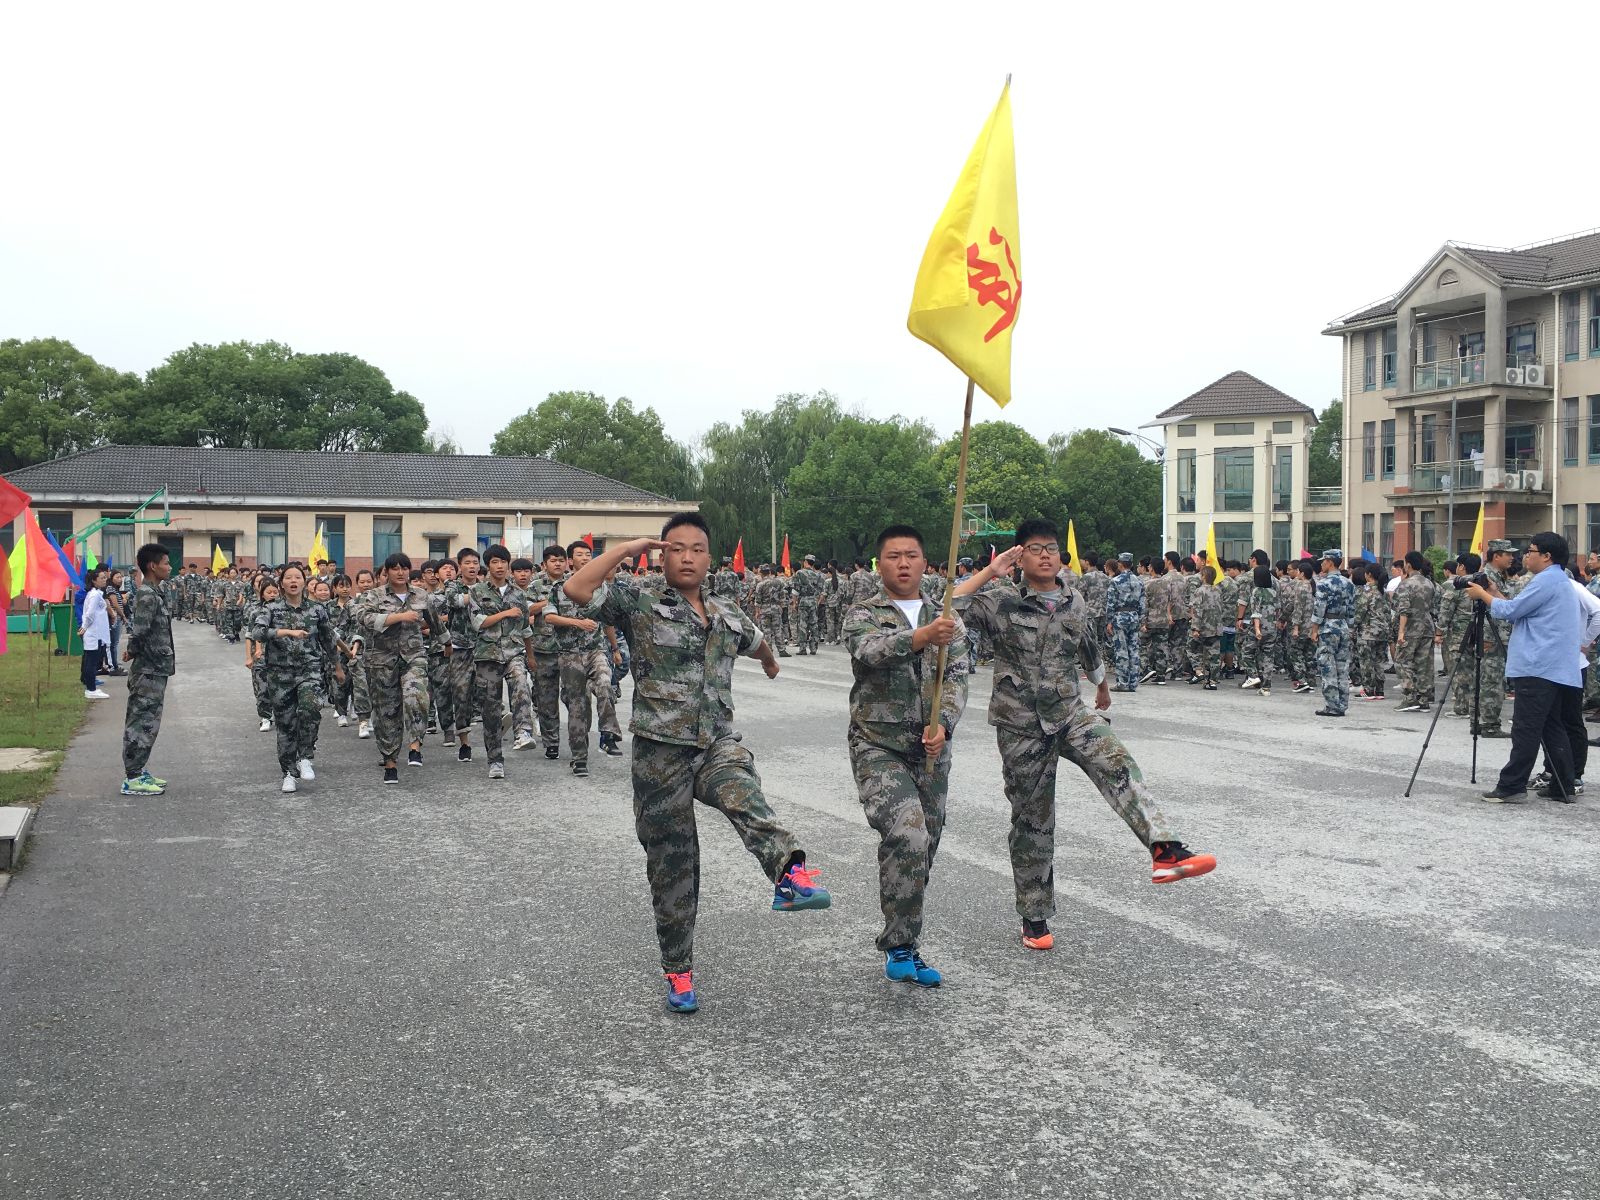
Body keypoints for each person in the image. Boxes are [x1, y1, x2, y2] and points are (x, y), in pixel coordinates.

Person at [561, 513, 832, 1016]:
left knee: (744, 793)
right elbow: (576, 589)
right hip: (660, 755)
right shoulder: (639, 600)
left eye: (697, 549)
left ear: (710, 557)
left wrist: (770, 662)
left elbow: (756, 640)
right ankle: (678, 969)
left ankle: (789, 875)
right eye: (676, 548)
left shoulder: (727, 609)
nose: (687, 557)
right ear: (662, 555)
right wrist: (628, 548)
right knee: (673, 865)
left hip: (715, 743)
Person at [957, 524, 1216, 956]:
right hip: (1020, 722)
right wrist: (989, 571)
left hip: (1069, 711)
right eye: (1035, 549)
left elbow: (1087, 645)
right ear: (1020, 557)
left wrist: (1102, 687)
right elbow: (947, 608)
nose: (1046, 555)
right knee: (1033, 820)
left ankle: (1165, 849)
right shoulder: (1001, 600)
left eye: (1051, 548)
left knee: (1117, 762)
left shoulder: (1074, 599)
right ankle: (1034, 915)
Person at [843, 524, 967, 987]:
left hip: (930, 749)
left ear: (925, 562)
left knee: (923, 847)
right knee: (908, 833)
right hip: (878, 745)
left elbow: (957, 677)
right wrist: (922, 636)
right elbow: (870, 652)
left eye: (911, 555)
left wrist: (944, 723)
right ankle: (899, 945)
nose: (902, 563)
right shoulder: (863, 612)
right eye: (893, 556)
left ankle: (906, 938)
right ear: (880, 564)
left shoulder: (947, 616)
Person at [1467, 532, 1582, 803]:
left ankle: (1512, 786)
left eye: (1530, 551)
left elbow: (1510, 612)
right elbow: (1520, 609)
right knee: (1551, 727)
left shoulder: (1545, 580)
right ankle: (1563, 785)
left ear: (1547, 556)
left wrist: (1482, 595)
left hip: (1537, 666)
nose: (1525, 556)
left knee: (1526, 729)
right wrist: (1494, 593)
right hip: (1553, 667)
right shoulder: (1558, 579)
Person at [255, 563, 340, 793]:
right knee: (286, 724)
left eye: (298, 577)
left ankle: (305, 756)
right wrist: (284, 632)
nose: (293, 581)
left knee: (311, 707)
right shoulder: (271, 609)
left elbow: (328, 639)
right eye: (288, 578)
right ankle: (289, 773)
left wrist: (337, 666)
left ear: (305, 582)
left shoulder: (317, 609)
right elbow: (258, 632)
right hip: (279, 674)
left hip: (309, 670)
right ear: (281, 583)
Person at [358, 553, 435, 784]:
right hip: (382, 660)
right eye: (395, 568)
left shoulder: (421, 595)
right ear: (387, 572)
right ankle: (390, 763)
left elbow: (434, 621)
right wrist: (399, 617)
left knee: (417, 696)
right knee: (387, 713)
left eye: (404, 568)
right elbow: (365, 619)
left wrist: (447, 643)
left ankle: (415, 747)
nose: (400, 572)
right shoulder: (374, 595)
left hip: (414, 657)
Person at [465, 544, 527, 781]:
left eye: (503, 562)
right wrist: (505, 614)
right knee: (491, 710)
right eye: (494, 562)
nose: (499, 566)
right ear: (488, 565)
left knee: (521, 682)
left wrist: (530, 655)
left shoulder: (518, 593)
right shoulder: (477, 591)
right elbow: (478, 622)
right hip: (487, 657)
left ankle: (523, 731)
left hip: (513, 652)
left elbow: (524, 627)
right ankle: (495, 760)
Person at [121, 544, 175, 796]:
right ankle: (132, 777)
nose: (169, 567)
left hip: (156, 668)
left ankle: (138, 770)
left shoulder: (155, 592)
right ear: (153, 566)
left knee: (149, 722)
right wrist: (132, 651)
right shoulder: (147, 595)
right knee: (141, 722)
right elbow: (140, 630)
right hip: (148, 670)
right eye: (166, 563)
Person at [1310, 550, 1356, 716]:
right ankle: (1342, 703)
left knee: (1327, 666)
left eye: (1324, 561)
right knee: (1342, 667)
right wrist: (1350, 627)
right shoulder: (1348, 583)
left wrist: (1314, 630)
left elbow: (1319, 609)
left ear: (1330, 562)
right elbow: (1352, 609)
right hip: (1343, 626)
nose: (1322, 564)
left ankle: (1332, 705)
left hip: (1328, 627)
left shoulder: (1323, 583)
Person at [1394, 550, 1437, 713]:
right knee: (1424, 663)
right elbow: (1434, 606)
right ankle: (1423, 699)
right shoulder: (1429, 583)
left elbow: (1403, 610)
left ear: (1408, 564)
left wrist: (1401, 632)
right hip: (1427, 626)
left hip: (1411, 627)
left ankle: (1409, 697)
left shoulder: (1406, 584)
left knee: (1402, 661)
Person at [1105, 552, 1144, 691]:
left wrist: (1109, 620)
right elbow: (1142, 603)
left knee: (1121, 650)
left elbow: (1111, 603)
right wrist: (1141, 619)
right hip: (1134, 616)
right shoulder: (1139, 581)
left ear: (1120, 564)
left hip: (1120, 616)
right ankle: (1133, 683)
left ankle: (1122, 682)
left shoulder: (1115, 581)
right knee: (1134, 649)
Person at [78, 566, 111, 699]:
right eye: (102, 578)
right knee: (91, 662)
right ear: (94, 581)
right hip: (93, 633)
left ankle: (91, 688)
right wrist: (84, 627)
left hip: (95, 633)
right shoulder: (95, 595)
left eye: (105, 578)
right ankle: (91, 689)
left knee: (90, 661)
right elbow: (90, 614)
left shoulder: (95, 593)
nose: (104, 580)